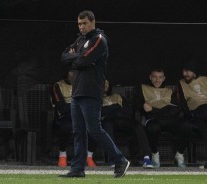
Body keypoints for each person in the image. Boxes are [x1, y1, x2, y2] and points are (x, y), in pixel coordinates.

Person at [60, 10, 129, 178]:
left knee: (94, 129)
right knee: (79, 131)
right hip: (77, 91)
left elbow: (84, 60)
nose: (82, 26)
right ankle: (78, 169)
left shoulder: (99, 39)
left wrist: (75, 58)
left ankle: (120, 160)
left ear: (93, 22)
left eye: (84, 23)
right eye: (79, 24)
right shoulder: (79, 40)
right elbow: (64, 57)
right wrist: (78, 57)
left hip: (91, 91)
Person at [133, 68, 187, 168]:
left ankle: (179, 154)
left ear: (164, 78)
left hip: (168, 118)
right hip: (152, 118)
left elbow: (177, 107)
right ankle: (154, 153)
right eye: (154, 77)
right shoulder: (143, 88)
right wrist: (142, 105)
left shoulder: (169, 90)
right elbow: (135, 103)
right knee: (154, 128)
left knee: (187, 126)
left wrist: (161, 111)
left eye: (160, 77)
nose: (157, 80)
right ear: (150, 77)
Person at [51, 68, 97, 168]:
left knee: (94, 126)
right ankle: (62, 154)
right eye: (72, 72)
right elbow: (61, 106)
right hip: (66, 116)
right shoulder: (58, 85)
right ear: (67, 74)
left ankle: (89, 156)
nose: (74, 74)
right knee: (66, 126)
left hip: (82, 115)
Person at [102, 80, 152, 168]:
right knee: (107, 124)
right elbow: (101, 112)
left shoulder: (117, 96)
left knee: (138, 125)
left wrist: (112, 110)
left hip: (123, 120)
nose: (105, 85)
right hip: (109, 122)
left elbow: (129, 110)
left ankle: (146, 158)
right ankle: (113, 158)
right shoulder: (95, 98)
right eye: (102, 83)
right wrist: (116, 107)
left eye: (107, 83)